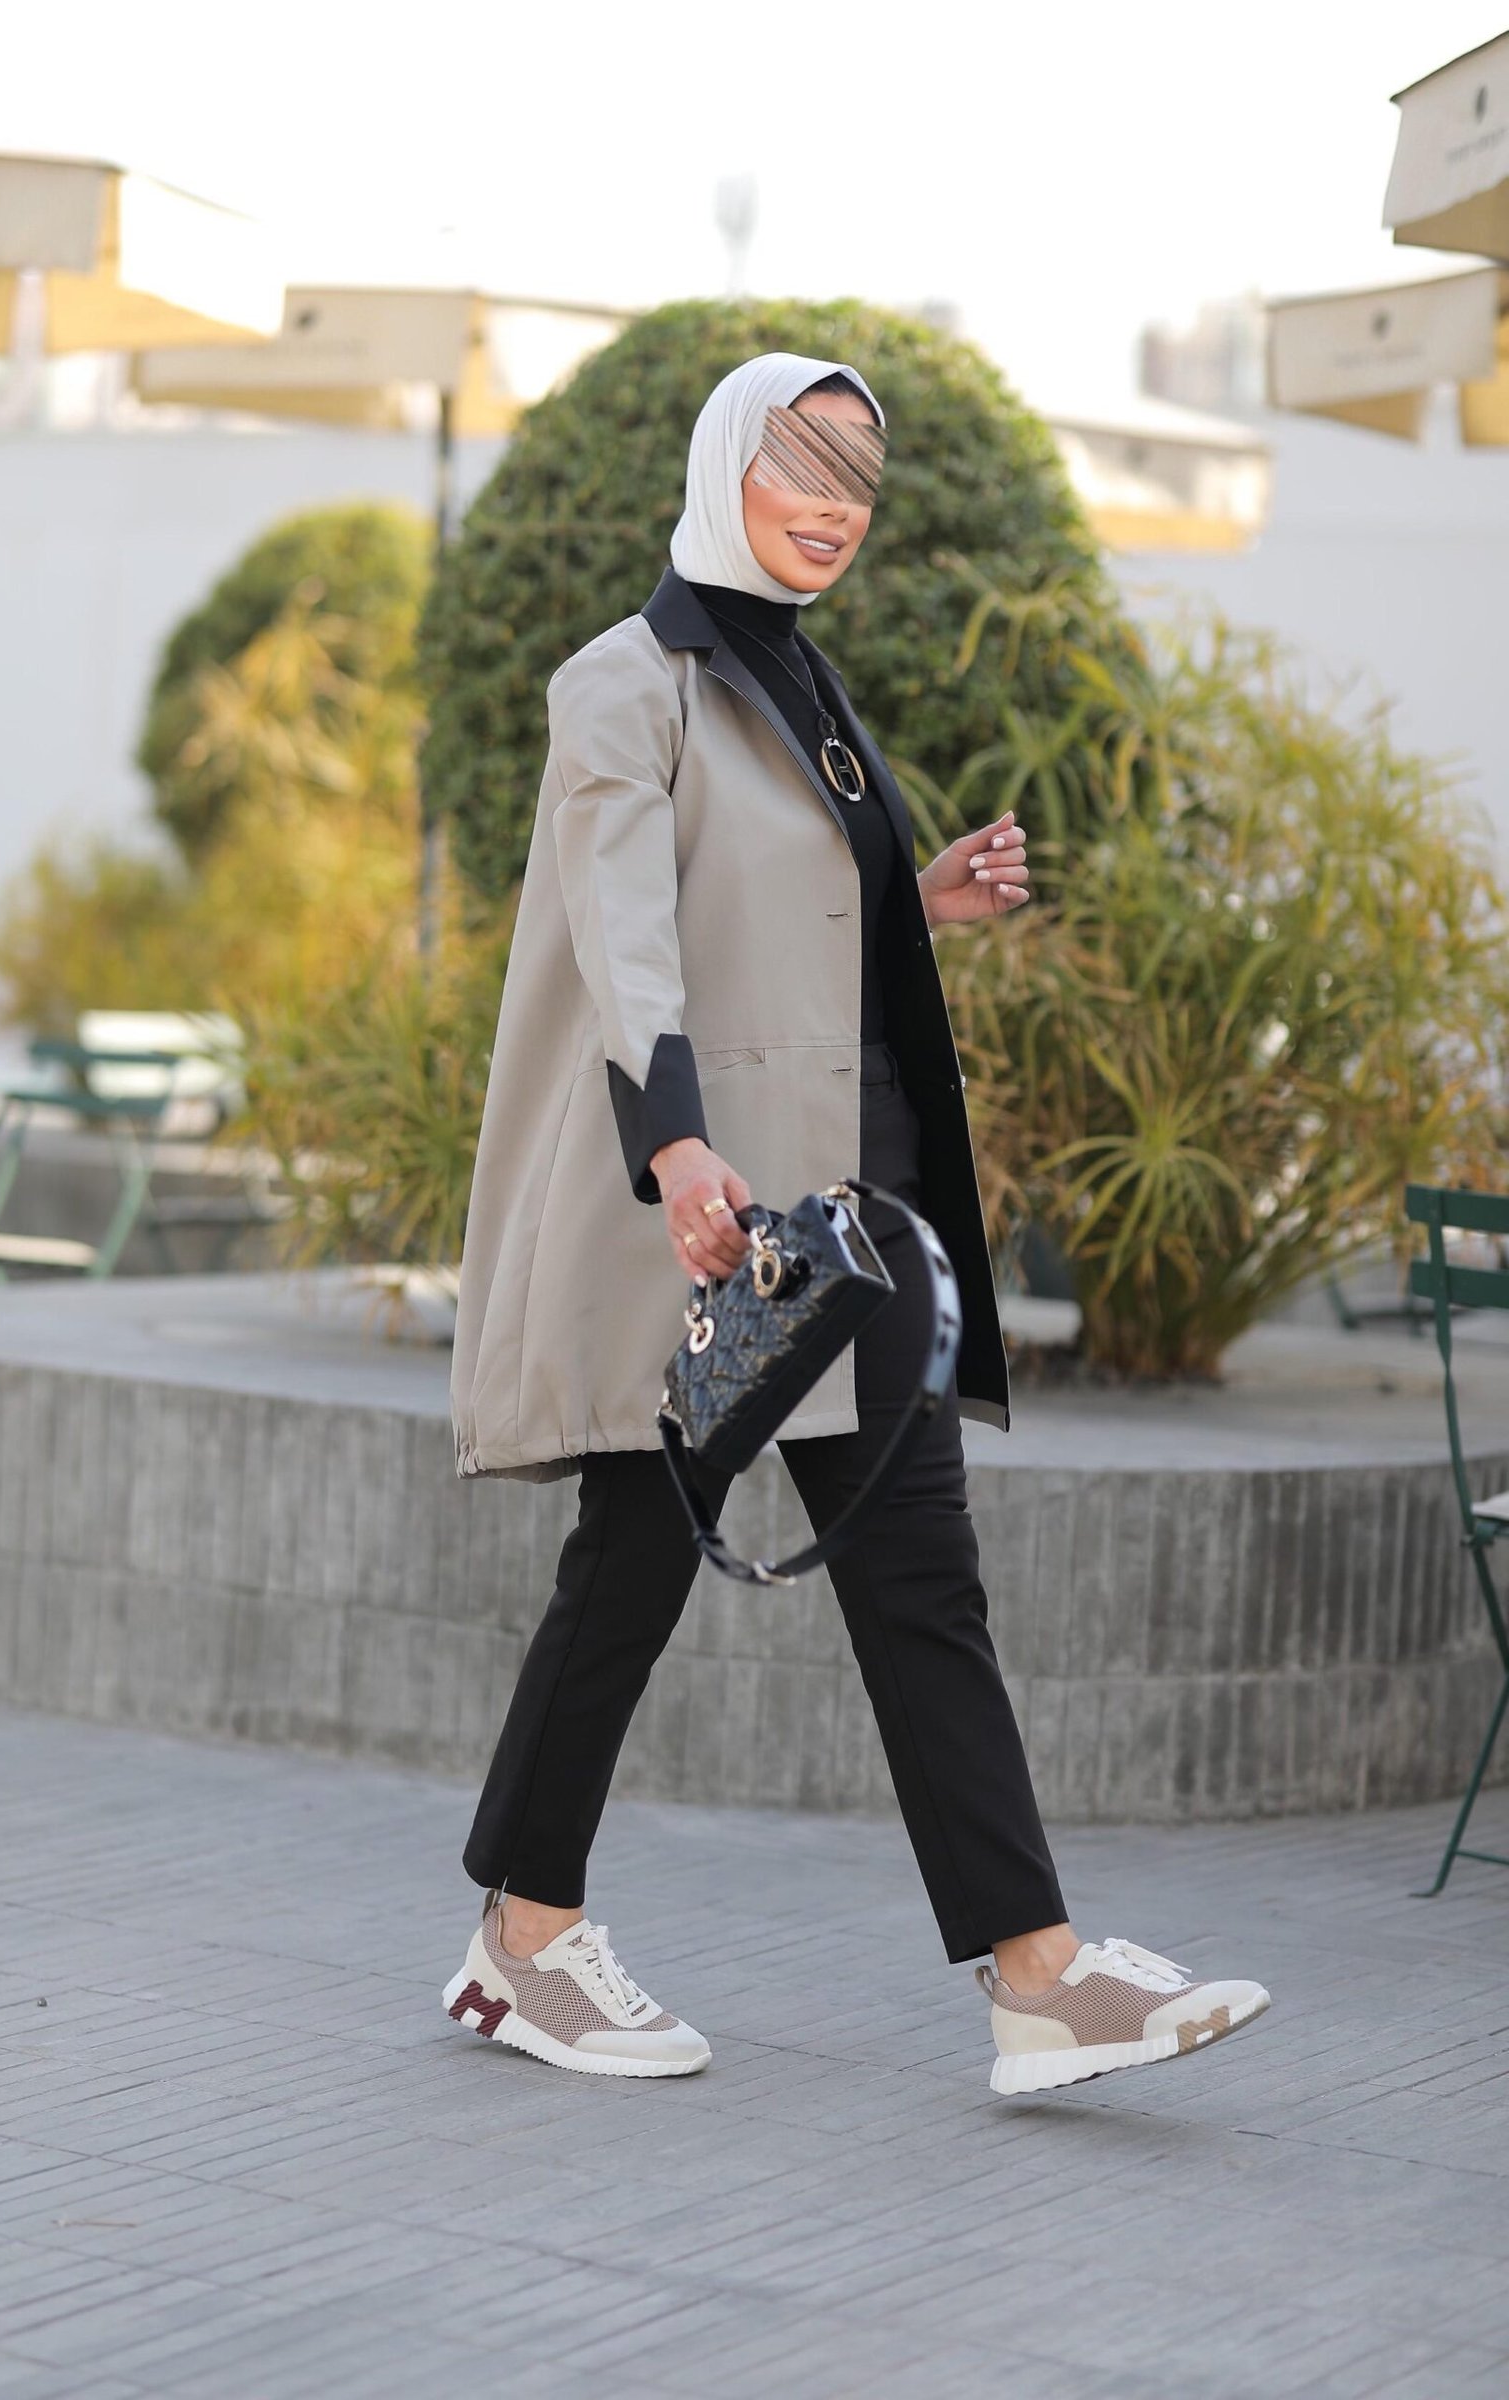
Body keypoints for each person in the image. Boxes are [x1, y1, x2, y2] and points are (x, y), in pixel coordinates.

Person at [443, 352, 1269, 2095]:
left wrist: (918, 895)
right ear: (723, 466)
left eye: (857, 483)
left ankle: (1038, 1977)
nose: (833, 508)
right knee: (633, 1568)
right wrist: (677, 1152)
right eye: (800, 466)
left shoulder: (807, 684)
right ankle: (522, 1940)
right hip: (721, 1223)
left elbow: (790, 922)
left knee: (923, 1587)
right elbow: (627, 939)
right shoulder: (625, 685)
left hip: (854, 1217)